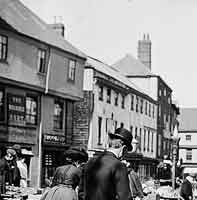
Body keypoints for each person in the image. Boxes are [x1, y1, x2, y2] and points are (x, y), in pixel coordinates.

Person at [78, 127, 133, 200]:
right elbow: (125, 197)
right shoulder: (118, 165)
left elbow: (81, 192)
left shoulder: (90, 162)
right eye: (126, 152)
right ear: (124, 148)